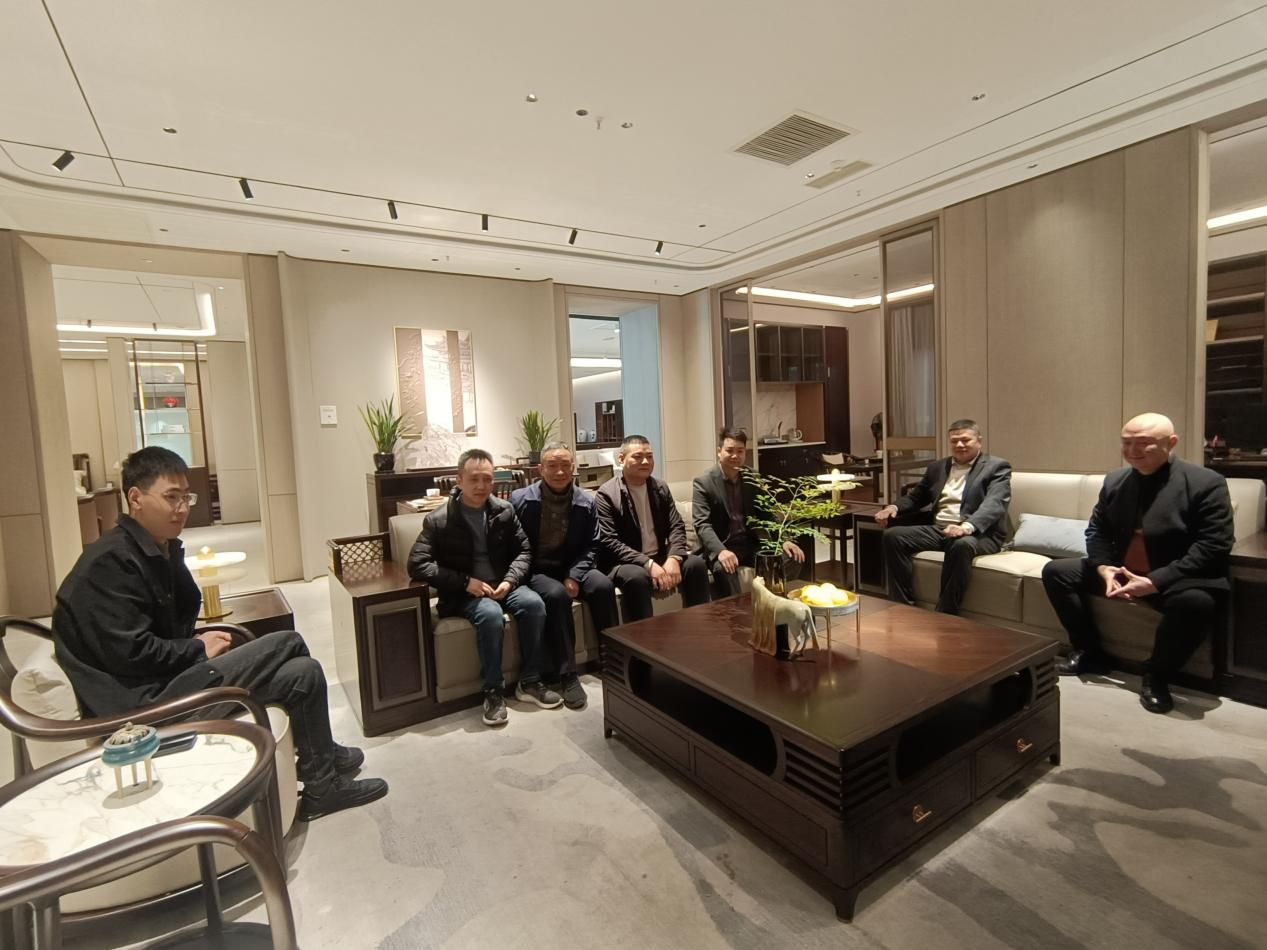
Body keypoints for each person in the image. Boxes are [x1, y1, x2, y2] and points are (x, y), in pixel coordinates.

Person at [52, 446, 387, 821]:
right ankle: (326, 761)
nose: (182, 508)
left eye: (186, 497)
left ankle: (322, 783)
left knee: (303, 673)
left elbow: (168, 623)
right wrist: (196, 649)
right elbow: (132, 653)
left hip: (167, 684)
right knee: (288, 642)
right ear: (135, 498)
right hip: (145, 710)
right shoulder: (111, 563)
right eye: (171, 497)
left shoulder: (153, 550)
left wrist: (192, 636)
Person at [1041, 412, 1234, 713]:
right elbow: (1097, 530)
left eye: (1143, 443)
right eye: (1126, 442)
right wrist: (1103, 568)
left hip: (1174, 575)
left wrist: (1155, 581)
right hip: (1122, 571)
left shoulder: (1206, 482)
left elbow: (1214, 545)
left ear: (1171, 443)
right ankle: (1090, 652)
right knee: (1056, 572)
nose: (1132, 451)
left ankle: (1157, 675)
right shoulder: (1116, 480)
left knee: (1196, 603)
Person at [407, 448, 558, 726]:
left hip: (502, 584)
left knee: (534, 604)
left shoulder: (504, 510)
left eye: (487, 479)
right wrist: (466, 582)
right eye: (474, 479)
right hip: (464, 594)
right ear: (459, 480)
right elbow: (418, 564)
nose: (481, 486)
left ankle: (530, 681)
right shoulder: (439, 519)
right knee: (490, 614)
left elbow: (524, 551)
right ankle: (493, 691)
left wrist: (510, 579)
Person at [510, 442, 618, 710]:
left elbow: (593, 544)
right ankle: (567, 674)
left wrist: (574, 575)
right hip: (537, 569)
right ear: (541, 469)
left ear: (573, 467)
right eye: (552, 466)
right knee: (557, 595)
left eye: (565, 465)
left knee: (603, 585)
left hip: (573, 566)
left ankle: (612, 660)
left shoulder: (586, 500)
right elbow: (515, 547)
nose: (559, 472)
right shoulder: (520, 500)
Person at [876, 419, 1012, 614]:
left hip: (979, 534)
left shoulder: (996, 467)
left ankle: (946, 613)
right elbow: (916, 497)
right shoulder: (937, 467)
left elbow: (994, 503)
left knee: (961, 544)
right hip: (940, 529)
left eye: (965, 440)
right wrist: (893, 507)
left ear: (979, 441)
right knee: (893, 536)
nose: (959, 445)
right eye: (954, 441)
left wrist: (966, 527)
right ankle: (902, 607)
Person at [595, 434, 710, 621]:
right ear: (621, 459)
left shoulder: (660, 488)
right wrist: (647, 564)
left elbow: (676, 525)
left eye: (649, 456)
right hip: (625, 562)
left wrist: (674, 558)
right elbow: (609, 541)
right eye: (638, 457)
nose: (645, 461)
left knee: (695, 564)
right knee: (637, 577)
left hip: (659, 555)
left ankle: (699, 625)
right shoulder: (607, 494)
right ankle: (643, 636)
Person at [693, 427, 805, 597]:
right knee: (724, 568)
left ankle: (773, 603)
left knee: (792, 557)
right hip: (723, 546)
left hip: (749, 545)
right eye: (730, 450)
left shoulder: (752, 477)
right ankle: (738, 612)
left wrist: (784, 540)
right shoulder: (704, 482)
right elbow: (702, 525)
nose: (735, 456)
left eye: (740, 451)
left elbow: (767, 514)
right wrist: (721, 551)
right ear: (719, 451)